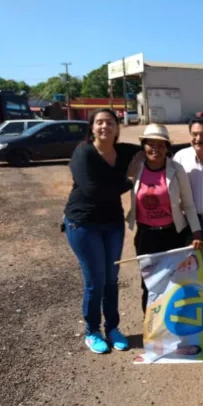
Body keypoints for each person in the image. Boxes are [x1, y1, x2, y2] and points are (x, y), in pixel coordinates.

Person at [63, 108, 141, 354]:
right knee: (95, 281)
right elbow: (93, 190)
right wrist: (129, 180)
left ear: (117, 127)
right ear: (92, 128)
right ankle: (92, 331)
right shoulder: (83, 153)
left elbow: (155, 148)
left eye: (110, 122)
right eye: (99, 122)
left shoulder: (125, 151)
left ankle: (113, 328)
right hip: (83, 224)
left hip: (112, 224)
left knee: (111, 280)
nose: (104, 126)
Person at [126, 124, 203, 314]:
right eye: (150, 144)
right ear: (143, 146)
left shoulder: (176, 169)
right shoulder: (136, 169)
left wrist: (196, 232)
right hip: (146, 236)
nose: (156, 149)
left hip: (173, 235)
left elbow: (188, 205)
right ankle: (152, 331)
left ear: (167, 147)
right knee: (150, 284)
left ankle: (175, 330)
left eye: (161, 145)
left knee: (175, 283)